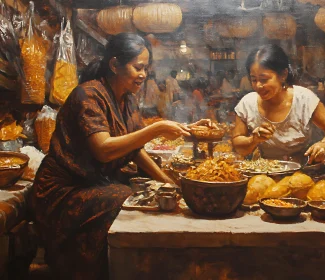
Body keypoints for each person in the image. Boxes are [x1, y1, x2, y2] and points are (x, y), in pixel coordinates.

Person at [30, 33, 213, 280]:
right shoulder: (88, 95)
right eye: (138, 67)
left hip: (94, 182)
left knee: (151, 189)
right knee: (127, 196)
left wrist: (169, 182)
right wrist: (157, 129)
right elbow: (104, 150)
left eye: (146, 68)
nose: (143, 74)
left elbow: (134, 149)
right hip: (63, 190)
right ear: (115, 65)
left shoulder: (127, 100)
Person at [232, 44, 325, 164]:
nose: (258, 85)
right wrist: (254, 140)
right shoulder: (247, 104)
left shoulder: (304, 99)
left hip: (302, 174)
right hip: (264, 175)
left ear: (283, 75)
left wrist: (324, 145)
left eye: (264, 79)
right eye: (254, 79)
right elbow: (238, 145)